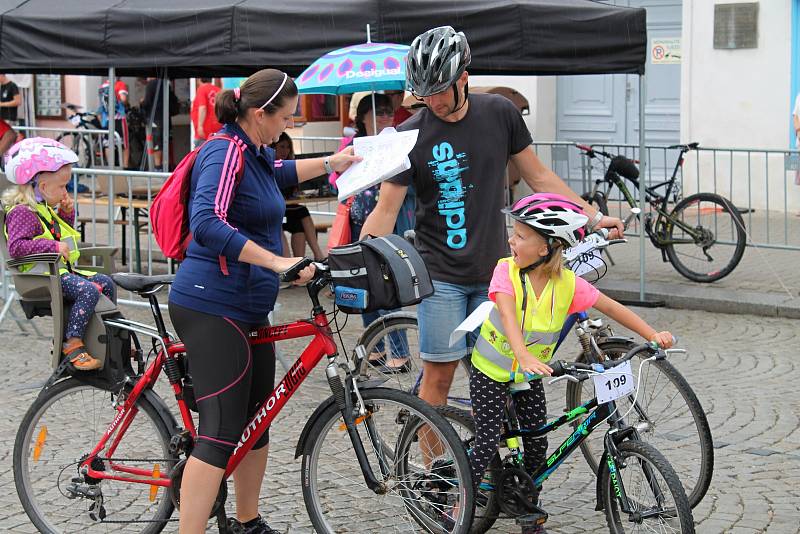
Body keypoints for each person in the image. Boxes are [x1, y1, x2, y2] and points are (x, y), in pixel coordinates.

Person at [359, 26, 624, 412]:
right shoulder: (408, 136)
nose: (431, 101)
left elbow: (539, 177)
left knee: (501, 377)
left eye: (439, 90)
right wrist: (357, 260)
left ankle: (492, 469)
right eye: (423, 92)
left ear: (464, 78)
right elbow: (386, 210)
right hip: (440, 280)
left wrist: (594, 216)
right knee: (440, 377)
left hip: (498, 276)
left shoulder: (500, 113)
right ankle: (432, 471)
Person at [167, 68, 358, 534]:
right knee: (220, 431)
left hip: (248, 304)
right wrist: (276, 262)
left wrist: (333, 163)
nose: (289, 126)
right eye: (287, 118)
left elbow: (276, 175)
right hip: (211, 302)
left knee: (258, 421)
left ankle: (247, 521)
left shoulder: (254, 151)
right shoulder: (222, 152)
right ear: (259, 114)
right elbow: (207, 222)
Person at [468, 193, 673, 534]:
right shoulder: (505, 271)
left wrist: (652, 334)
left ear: (544, 248)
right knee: (487, 440)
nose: (511, 240)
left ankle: (527, 511)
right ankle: (458, 504)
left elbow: (612, 308)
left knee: (536, 443)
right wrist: (521, 353)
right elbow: (505, 312)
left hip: (530, 374)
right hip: (492, 371)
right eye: (513, 233)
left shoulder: (567, 284)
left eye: (520, 236)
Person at [2, 138, 117, 371]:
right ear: (42, 187)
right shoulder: (22, 212)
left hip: (57, 273)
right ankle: (72, 343)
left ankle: (110, 338)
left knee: (105, 282)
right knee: (87, 290)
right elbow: (16, 248)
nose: (66, 191)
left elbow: (59, 236)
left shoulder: (42, 209)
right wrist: (52, 248)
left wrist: (66, 214)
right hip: (40, 277)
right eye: (63, 186)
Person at [271, 132, 325, 261]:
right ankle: (316, 255)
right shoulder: (271, 165)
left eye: (288, 147)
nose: (285, 151)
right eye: (282, 147)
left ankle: (298, 263)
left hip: (287, 211)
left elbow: (291, 194)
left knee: (298, 224)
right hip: (275, 212)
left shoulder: (291, 165)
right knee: (301, 211)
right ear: (273, 148)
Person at [141, 77, 179, 170]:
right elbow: (173, 99)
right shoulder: (166, 83)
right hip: (166, 117)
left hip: (155, 118)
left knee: (157, 143)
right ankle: (166, 165)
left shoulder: (151, 84)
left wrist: (141, 102)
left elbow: (147, 102)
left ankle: (158, 167)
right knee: (166, 141)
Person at [98, 78, 130, 168]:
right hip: (119, 118)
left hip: (107, 120)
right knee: (125, 144)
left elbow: (101, 105)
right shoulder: (120, 84)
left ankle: (110, 166)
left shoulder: (103, 86)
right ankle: (125, 166)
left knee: (108, 143)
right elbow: (123, 99)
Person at [191, 78, 222, 148]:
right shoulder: (218, 90)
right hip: (217, 131)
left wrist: (200, 126)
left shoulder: (202, 89)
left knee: (199, 155)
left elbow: (203, 107)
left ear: (199, 79)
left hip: (204, 133)